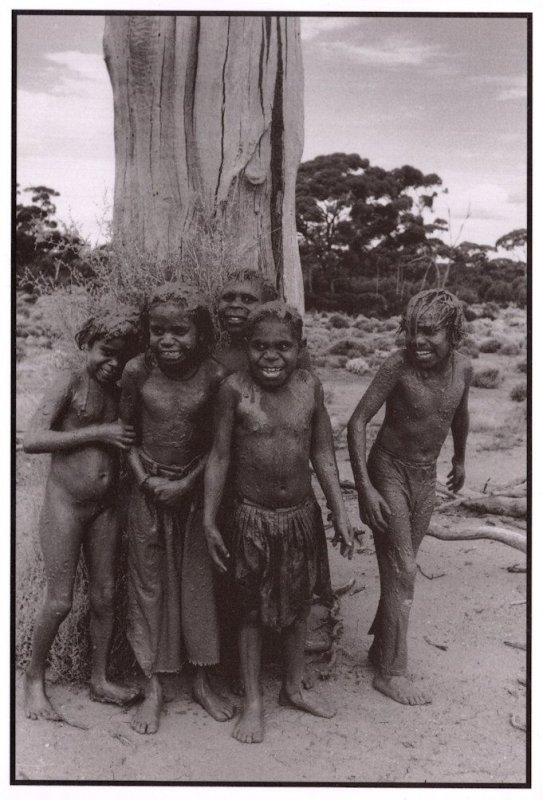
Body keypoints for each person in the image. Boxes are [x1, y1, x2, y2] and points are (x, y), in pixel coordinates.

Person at [204, 301, 353, 744]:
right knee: (249, 613)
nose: (271, 356)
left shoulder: (310, 386)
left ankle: (292, 687)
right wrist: (210, 519)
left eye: (283, 346)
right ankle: (252, 702)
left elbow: (323, 454)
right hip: (250, 518)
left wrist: (340, 512)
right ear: (246, 348)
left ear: (300, 348)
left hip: (301, 517)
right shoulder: (234, 390)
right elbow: (219, 456)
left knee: (299, 605)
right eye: (261, 346)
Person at [119, 282, 235, 735]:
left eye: (179, 331)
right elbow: (126, 435)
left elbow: (219, 446)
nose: (168, 340)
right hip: (146, 492)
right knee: (148, 587)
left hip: (195, 494)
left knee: (198, 586)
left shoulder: (214, 376)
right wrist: (146, 480)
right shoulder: (135, 372)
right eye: (158, 330)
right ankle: (153, 685)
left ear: (199, 333)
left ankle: (203, 679)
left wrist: (188, 483)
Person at [347, 289, 472, 706]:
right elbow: (357, 422)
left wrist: (460, 458)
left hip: (426, 476)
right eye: (413, 331)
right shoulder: (397, 367)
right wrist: (364, 487)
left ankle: (379, 648)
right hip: (388, 471)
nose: (418, 341)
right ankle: (392, 671)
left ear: (453, 332)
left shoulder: (463, 369)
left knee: (399, 568)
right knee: (403, 567)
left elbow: (460, 414)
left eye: (431, 332)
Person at [23, 305, 142, 721]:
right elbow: (32, 440)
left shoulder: (125, 385)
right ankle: (34, 682)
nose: (113, 364)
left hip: (105, 507)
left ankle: (99, 678)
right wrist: (99, 432)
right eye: (105, 352)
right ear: (86, 345)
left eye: (122, 356)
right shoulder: (70, 380)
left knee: (106, 595)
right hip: (66, 505)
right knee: (59, 600)